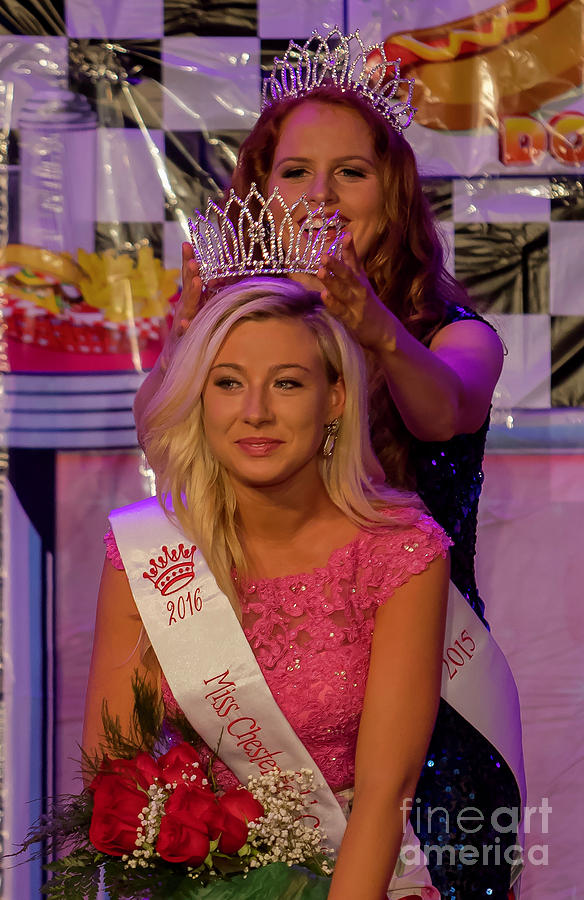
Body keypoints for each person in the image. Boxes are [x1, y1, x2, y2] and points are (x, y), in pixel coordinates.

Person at [132, 32, 520, 898]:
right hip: (262, 706)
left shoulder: (452, 337)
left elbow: (443, 409)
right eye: (296, 171)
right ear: (262, 191)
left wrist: (376, 329)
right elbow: (162, 442)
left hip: (435, 713)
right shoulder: (242, 341)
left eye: (352, 172)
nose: (321, 195)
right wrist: (188, 341)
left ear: (394, 192)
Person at [85, 278, 452, 900]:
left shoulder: (399, 551)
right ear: (199, 397)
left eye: (287, 382)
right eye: (228, 382)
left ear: (335, 397)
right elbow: (111, 768)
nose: (255, 411)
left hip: (355, 874)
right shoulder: (150, 550)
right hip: (191, 879)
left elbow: (388, 790)